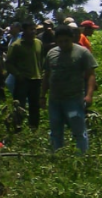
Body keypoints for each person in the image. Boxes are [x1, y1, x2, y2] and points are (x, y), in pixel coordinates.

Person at [41, 25, 97, 153]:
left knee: (78, 131)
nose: (63, 44)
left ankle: (82, 158)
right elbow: (46, 76)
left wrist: (89, 95)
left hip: (74, 100)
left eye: (66, 40)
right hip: (55, 100)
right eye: (60, 41)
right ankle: (58, 157)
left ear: (72, 38)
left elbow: (91, 75)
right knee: (55, 131)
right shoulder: (52, 53)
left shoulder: (82, 53)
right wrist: (42, 96)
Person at [6, 21, 43, 130]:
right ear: (24, 30)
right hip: (23, 80)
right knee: (20, 105)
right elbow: (8, 63)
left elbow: (41, 59)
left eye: (34, 29)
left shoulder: (38, 43)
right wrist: (17, 74)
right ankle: (18, 127)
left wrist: (42, 73)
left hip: (36, 79)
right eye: (30, 29)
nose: (33, 31)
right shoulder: (16, 45)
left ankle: (33, 127)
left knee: (35, 106)